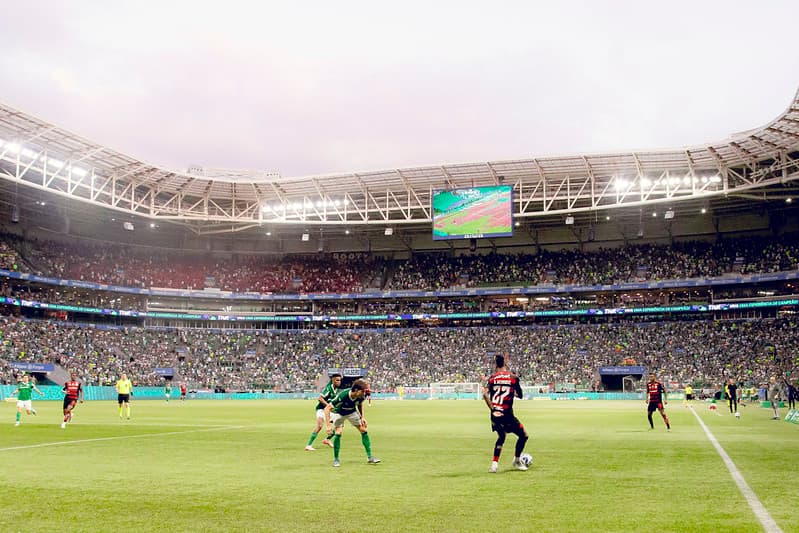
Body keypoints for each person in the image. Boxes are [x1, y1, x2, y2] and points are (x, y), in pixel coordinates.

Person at [483, 354, 529, 473]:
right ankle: (517, 461)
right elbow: (520, 395)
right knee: (524, 435)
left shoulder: (492, 378)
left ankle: (494, 465)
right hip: (507, 415)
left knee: (501, 436)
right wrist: (511, 391)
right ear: (505, 363)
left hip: (495, 414)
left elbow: (484, 394)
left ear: (495, 364)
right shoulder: (513, 377)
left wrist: (493, 409)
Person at [324, 378, 380, 467]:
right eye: (363, 391)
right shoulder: (343, 396)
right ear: (356, 390)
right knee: (338, 433)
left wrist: (362, 417)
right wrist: (328, 425)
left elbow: (359, 404)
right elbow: (327, 408)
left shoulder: (362, 395)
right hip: (339, 413)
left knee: (364, 430)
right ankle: (336, 459)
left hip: (351, 412)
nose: (364, 394)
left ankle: (370, 457)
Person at [305, 373, 341, 451]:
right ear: (333, 380)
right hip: (321, 410)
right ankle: (308, 445)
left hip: (328, 411)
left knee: (340, 424)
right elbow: (320, 398)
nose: (339, 382)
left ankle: (327, 439)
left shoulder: (336, 390)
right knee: (320, 426)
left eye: (340, 380)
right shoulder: (328, 389)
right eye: (337, 380)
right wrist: (328, 406)